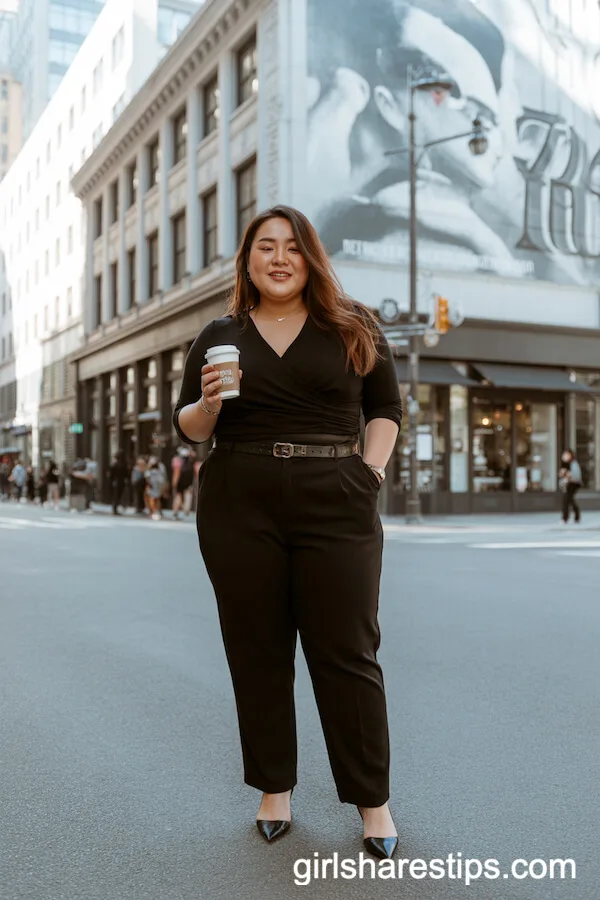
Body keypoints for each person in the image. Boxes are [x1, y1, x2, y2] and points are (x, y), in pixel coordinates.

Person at [174, 205, 403, 859]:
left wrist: (370, 474)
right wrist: (210, 402)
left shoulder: (352, 325)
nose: (279, 258)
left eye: (292, 247)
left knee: (347, 653)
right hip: (238, 499)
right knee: (258, 651)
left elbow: (384, 406)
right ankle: (274, 790)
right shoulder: (223, 332)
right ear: (247, 259)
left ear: (311, 259)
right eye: (265, 246)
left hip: (336, 494)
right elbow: (188, 426)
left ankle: (374, 803)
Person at [171, 448, 195, 520]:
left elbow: (176, 473)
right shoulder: (191, 462)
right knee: (187, 495)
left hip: (180, 482)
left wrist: (174, 483)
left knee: (178, 495)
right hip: (188, 482)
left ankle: (175, 511)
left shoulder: (178, 462)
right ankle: (186, 508)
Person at [559, 449, 582, 524]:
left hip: (573, 485)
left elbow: (575, 476)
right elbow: (560, 475)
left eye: (567, 454)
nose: (565, 456)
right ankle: (575, 516)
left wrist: (567, 475)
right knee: (569, 501)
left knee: (568, 500)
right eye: (565, 455)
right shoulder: (564, 464)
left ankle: (565, 518)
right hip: (566, 485)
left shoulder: (573, 463)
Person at [108, 450, 128, 515]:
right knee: (119, 495)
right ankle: (116, 508)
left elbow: (111, 474)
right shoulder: (124, 464)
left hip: (116, 481)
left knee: (116, 495)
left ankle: (115, 508)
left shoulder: (114, 464)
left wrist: (111, 480)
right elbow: (126, 473)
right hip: (121, 481)